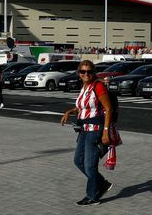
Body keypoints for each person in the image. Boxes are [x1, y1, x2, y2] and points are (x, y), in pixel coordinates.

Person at [60, 60, 113, 206]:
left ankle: (93, 196)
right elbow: (82, 107)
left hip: (95, 131)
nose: (86, 74)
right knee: (78, 161)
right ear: (79, 73)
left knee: (90, 165)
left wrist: (106, 132)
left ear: (93, 72)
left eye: (89, 71)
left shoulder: (99, 86)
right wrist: (70, 111)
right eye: (83, 72)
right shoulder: (84, 87)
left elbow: (108, 109)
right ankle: (101, 184)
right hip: (84, 130)